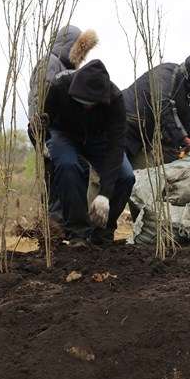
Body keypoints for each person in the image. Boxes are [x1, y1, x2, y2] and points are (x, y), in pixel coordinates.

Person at [43, 59, 135, 246]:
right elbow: (43, 121)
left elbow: (116, 145)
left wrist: (105, 194)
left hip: (99, 138)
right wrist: (41, 142)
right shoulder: (59, 87)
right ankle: (77, 233)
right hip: (64, 134)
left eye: (91, 104)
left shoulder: (115, 98)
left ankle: (102, 231)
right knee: (68, 166)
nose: (86, 107)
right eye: (81, 102)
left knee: (126, 177)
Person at [27, 25, 97, 223]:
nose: (83, 56)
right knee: (56, 179)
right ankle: (54, 227)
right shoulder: (50, 63)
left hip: (59, 132)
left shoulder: (65, 69)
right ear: (70, 45)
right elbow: (38, 98)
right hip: (46, 129)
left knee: (73, 173)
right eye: (81, 49)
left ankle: (66, 224)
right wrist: (41, 134)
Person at [123, 50, 190, 165]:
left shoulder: (185, 94)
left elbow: (185, 124)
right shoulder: (167, 73)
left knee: (125, 177)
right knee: (114, 172)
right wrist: (182, 137)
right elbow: (162, 105)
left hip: (139, 139)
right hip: (125, 125)